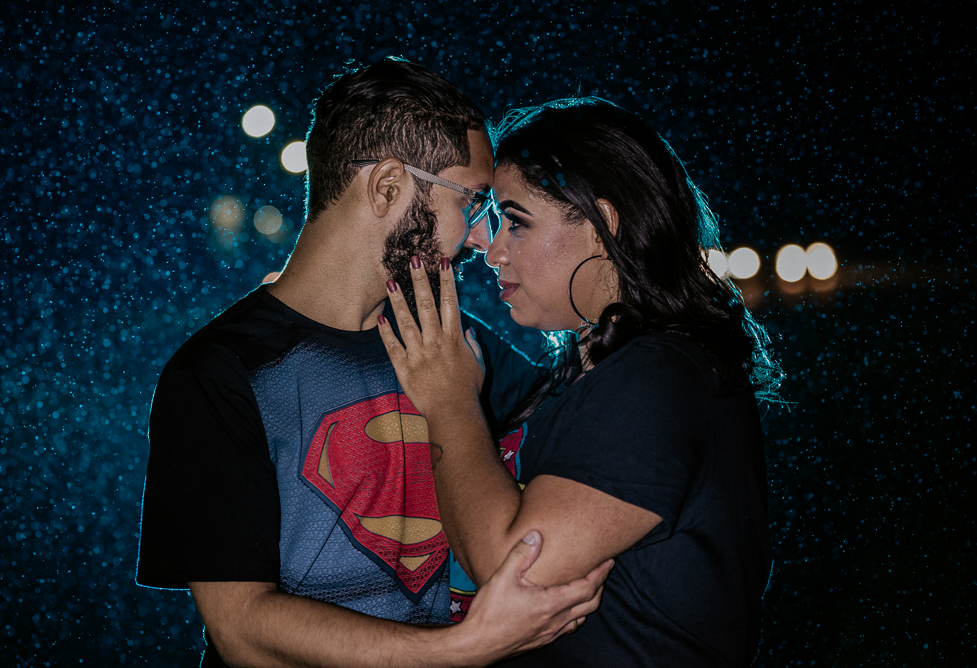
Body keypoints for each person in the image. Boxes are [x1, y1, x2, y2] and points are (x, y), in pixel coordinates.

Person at [135, 62, 610, 668]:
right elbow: (242, 629)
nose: (477, 239)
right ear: (388, 187)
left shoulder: (450, 341)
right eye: (471, 200)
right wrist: (461, 648)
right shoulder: (220, 372)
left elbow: (591, 453)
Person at [378, 98, 784, 666]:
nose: (491, 250)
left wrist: (449, 406)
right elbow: (438, 343)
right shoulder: (592, 370)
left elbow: (512, 566)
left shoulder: (659, 378)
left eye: (514, 222)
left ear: (601, 225)